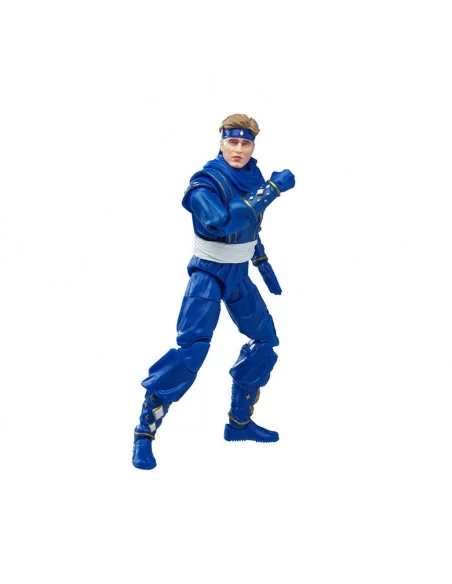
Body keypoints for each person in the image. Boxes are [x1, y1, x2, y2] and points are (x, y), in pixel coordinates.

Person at [132, 113, 295, 470]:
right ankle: (144, 432)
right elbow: (221, 221)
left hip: (239, 273)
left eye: (246, 143)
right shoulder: (204, 183)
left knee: (265, 342)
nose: (239, 149)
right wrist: (272, 190)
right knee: (191, 350)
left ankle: (239, 423)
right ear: (220, 142)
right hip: (208, 273)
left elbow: (250, 225)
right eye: (232, 141)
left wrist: (261, 261)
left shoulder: (251, 175)